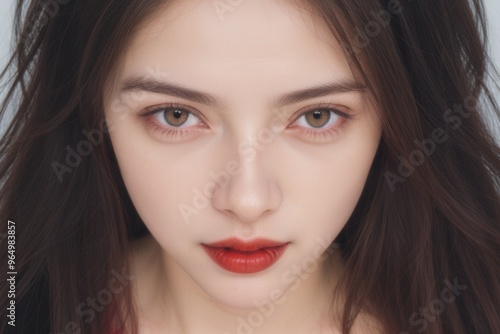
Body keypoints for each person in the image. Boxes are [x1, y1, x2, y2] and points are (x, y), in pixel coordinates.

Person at [1, 0, 499, 333]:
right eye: (177, 115)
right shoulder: (18, 302)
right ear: (95, 113)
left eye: (317, 116)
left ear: (400, 118)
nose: (246, 200)